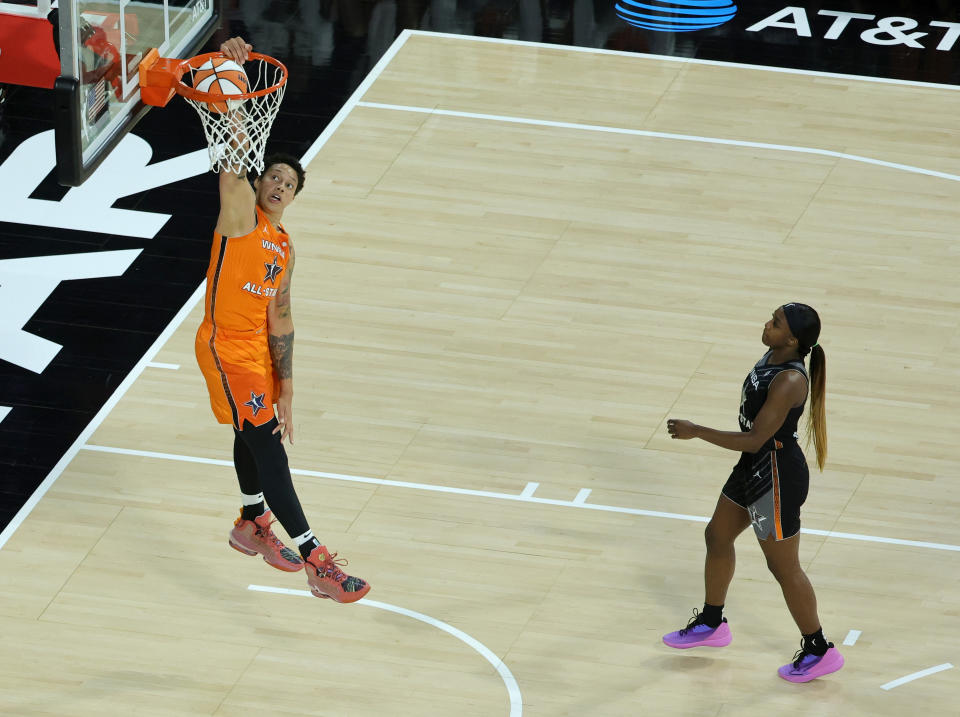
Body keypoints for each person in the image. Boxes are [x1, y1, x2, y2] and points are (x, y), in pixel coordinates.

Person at [194, 36, 370, 604]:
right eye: (273, 176)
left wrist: (287, 385)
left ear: (294, 199)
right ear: (261, 183)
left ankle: (250, 524)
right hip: (224, 345)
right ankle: (319, 559)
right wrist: (233, 80)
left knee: (258, 432)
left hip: (258, 353)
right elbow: (234, 163)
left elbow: (284, 319)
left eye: (290, 184)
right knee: (268, 446)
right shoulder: (240, 216)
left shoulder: (284, 248)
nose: (279, 184)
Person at [661, 303, 842, 683]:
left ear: (793, 340)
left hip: (775, 477)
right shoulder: (774, 355)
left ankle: (819, 648)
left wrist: (697, 431)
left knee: (783, 566)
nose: (767, 324)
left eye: (775, 323)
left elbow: (756, 438)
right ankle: (713, 623)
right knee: (717, 534)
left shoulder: (790, 380)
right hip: (755, 467)